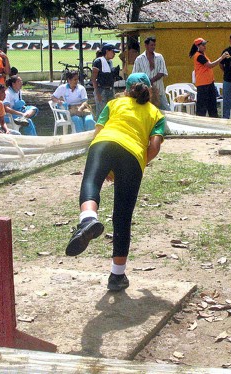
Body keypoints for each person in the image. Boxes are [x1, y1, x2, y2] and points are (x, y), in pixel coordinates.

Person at [65, 73, 165, 292]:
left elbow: (99, 131)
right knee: (122, 215)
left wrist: (108, 166)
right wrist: (139, 161)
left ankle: (88, 219)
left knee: (91, 182)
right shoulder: (156, 113)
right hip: (133, 154)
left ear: (126, 91)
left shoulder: (114, 103)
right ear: (149, 91)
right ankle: (117, 276)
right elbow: (154, 146)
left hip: (104, 143)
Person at [189, 38, 229, 117]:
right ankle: (201, 123)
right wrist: (222, 58)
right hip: (203, 85)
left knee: (212, 106)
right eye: (203, 45)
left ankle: (214, 122)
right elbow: (210, 65)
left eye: (205, 44)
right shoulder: (198, 56)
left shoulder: (203, 55)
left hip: (209, 83)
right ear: (198, 46)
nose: (205, 46)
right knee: (202, 107)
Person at [132, 36, 170, 111]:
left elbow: (162, 72)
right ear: (146, 46)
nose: (153, 47)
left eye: (154, 45)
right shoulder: (139, 59)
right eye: (151, 45)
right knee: (147, 110)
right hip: (145, 92)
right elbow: (135, 75)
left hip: (159, 90)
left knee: (166, 109)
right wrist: (145, 82)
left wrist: (150, 81)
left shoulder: (159, 57)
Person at [91, 43, 120, 116]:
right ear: (107, 51)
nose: (114, 54)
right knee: (102, 112)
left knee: (111, 111)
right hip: (101, 90)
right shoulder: (98, 61)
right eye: (113, 52)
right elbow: (93, 78)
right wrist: (97, 93)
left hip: (110, 89)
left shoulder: (110, 62)